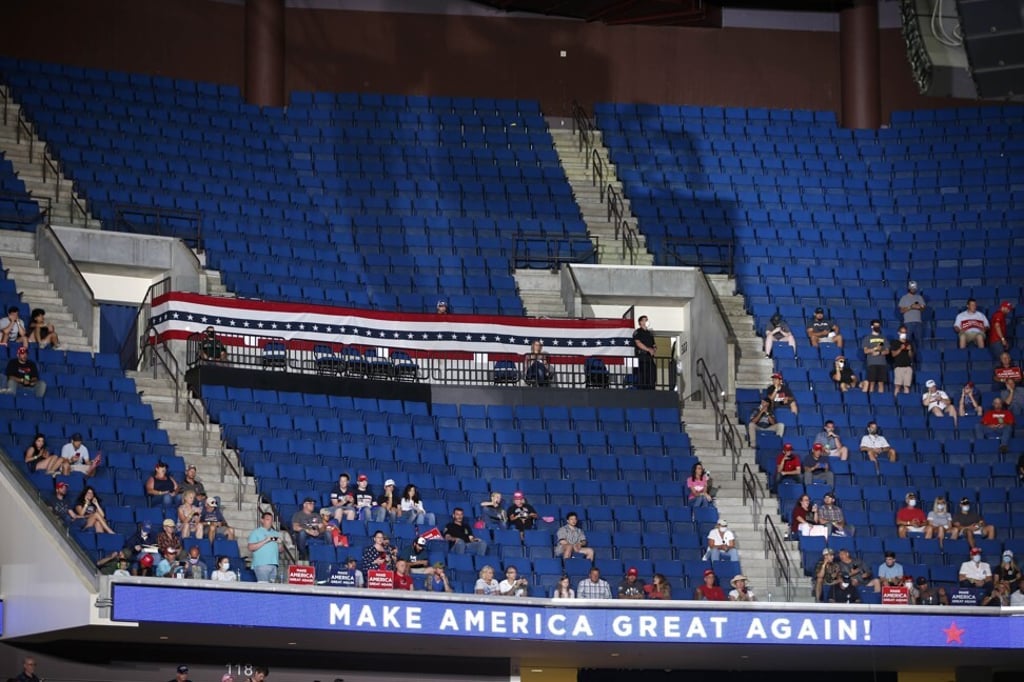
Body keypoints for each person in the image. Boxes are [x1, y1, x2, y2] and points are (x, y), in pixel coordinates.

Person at [247, 512, 282, 583]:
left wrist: (280, 543)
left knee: (272, 589)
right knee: (264, 586)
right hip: (261, 564)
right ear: (262, 520)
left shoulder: (276, 533)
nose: (270, 522)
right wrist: (266, 540)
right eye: (268, 519)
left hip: (274, 564)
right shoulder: (256, 532)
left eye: (271, 520)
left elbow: (281, 550)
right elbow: (250, 547)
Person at [291, 497, 325, 561]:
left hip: (316, 534)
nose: (312, 505)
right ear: (304, 505)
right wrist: (308, 531)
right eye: (310, 503)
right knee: (302, 533)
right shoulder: (298, 514)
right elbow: (295, 527)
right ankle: (303, 554)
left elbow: (322, 527)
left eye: (313, 503)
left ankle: (327, 553)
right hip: (305, 534)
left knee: (328, 533)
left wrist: (318, 531)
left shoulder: (316, 515)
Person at [860, 319, 889, 393]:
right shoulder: (867, 338)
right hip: (872, 363)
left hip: (882, 363)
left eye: (878, 326)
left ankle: (881, 400)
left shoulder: (883, 338)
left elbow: (887, 351)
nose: (877, 327)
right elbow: (865, 351)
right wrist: (875, 349)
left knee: (881, 383)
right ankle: (872, 399)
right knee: (871, 383)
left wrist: (879, 353)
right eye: (875, 325)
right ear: (872, 326)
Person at [898, 281, 926, 345]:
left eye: (914, 288)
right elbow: (901, 311)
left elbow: (923, 309)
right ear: (909, 288)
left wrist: (919, 307)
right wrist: (911, 307)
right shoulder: (904, 298)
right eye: (912, 288)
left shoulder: (919, 297)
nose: (913, 289)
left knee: (919, 341)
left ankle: (919, 354)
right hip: (908, 322)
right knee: (907, 341)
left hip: (918, 322)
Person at [633, 315, 657, 389]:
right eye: (644, 320)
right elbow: (638, 343)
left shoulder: (650, 333)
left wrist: (654, 349)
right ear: (640, 322)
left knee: (652, 374)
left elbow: (654, 344)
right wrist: (648, 349)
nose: (646, 321)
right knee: (642, 376)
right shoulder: (637, 332)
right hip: (641, 358)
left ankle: (651, 389)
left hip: (649, 358)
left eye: (647, 320)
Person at [890, 324, 914, 396]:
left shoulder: (909, 342)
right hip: (898, 367)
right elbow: (893, 354)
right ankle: (896, 401)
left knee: (906, 386)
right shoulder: (894, 342)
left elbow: (911, 356)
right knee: (898, 386)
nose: (904, 334)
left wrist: (909, 350)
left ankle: (906, 401)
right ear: (898, 333)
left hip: (908, 367)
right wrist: (900, 348)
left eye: (905, 332)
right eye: (902, 332)